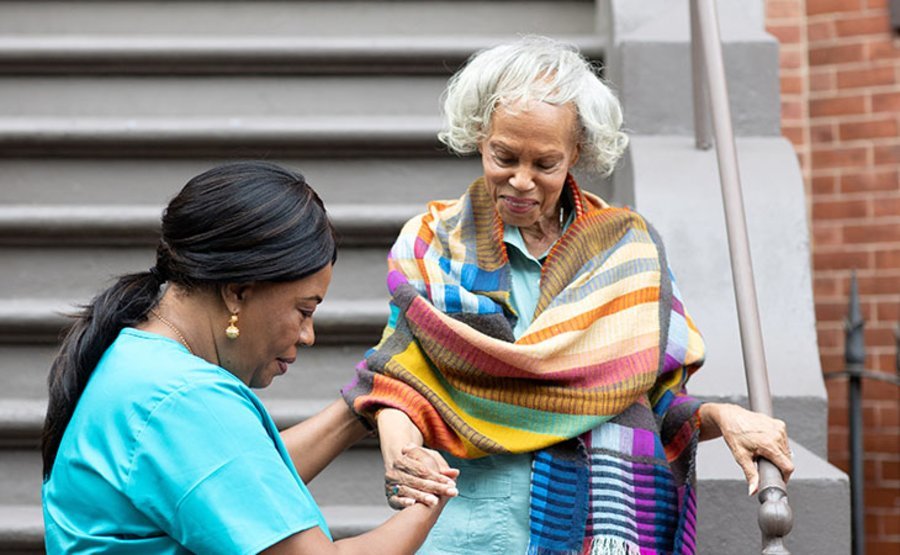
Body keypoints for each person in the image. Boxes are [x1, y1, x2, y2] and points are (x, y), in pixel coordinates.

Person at [340, 37, 795, 554]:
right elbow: (398, 378)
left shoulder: (628, 252)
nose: (521, 181)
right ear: (479, 135)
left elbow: (658, 400)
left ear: (577, 151)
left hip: (592, 533)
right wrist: (401, 455)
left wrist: (723, 416)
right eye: (503, 156)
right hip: (465, 529)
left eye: (545, 163)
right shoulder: (430, 243)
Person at [41, 161, 454, 554]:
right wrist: (432, 494)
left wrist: (364, 403)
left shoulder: (138, 362)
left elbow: (241, 478)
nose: (308, 335)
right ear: (238, 291)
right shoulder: (184, 398)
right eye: (304, 310)